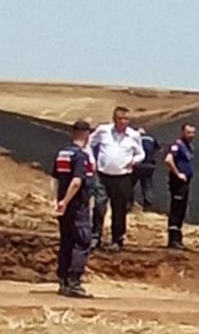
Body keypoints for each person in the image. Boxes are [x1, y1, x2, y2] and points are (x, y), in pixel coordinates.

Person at [88, 107, 143, 250]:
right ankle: (95, 236)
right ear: (114, 119)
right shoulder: (103, 130)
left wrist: (134, 160)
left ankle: (117, 239)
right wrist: (91, 160)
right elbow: (89, 143)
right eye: (120, 119)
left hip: (122, 177)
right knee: (99, 206)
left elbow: (140, 153)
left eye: (126, 119)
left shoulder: (133, 135)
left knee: (119, 209)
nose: (123, 122)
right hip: (102, 175)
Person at [53, 119, 96, 298]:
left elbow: (54, 179)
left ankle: (63, 280)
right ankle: (73, 281)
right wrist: (67, 200)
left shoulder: (62, 153)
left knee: (67, 240)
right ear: (86, 135)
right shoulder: (80, 156)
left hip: (64, 205)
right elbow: (77, 181)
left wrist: (57, 200)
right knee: (82, 241)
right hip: (77, 205)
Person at [164, 123, 196, 249]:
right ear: (183, 132)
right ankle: (173, 240)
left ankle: (178, 239)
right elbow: (168, 160)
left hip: (185, 182)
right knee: (176, 209)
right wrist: (178, 174)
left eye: (193, 133)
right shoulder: (177, 145)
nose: (191, 135)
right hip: (178, 183)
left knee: (182, 209)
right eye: (188, 132)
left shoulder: (188, 146)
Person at [134, 128, 161, 209]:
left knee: (131, 184)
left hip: (137, 165)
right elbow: (158, 148)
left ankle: (129, 203)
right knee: (147, 184)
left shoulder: (134, 139)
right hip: (149, 165)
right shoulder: (151, 138)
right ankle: (148, 205)